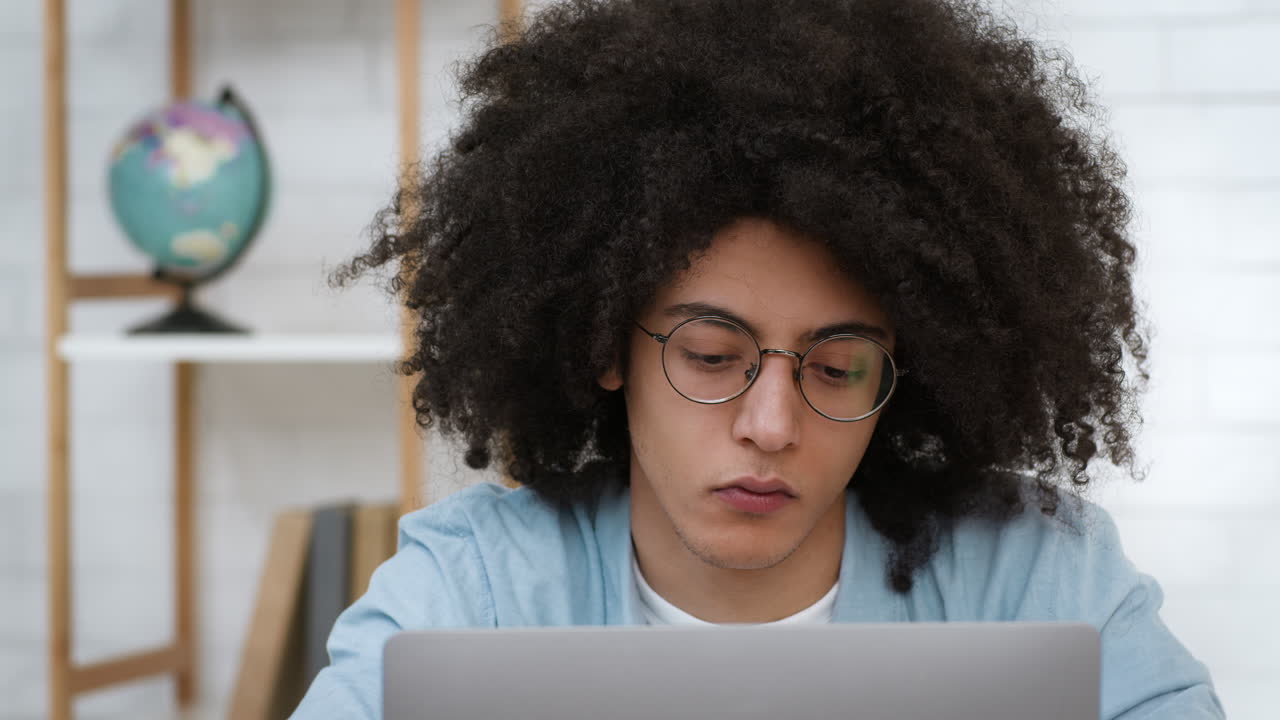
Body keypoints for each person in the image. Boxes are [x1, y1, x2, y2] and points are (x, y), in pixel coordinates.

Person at [292, 0, 1224, 717]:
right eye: (710, 354)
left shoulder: (1043, 584)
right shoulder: (470, 593)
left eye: (837, 367)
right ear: (607, 345)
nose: (772, 426)